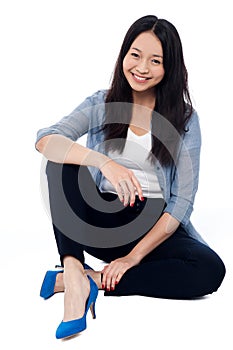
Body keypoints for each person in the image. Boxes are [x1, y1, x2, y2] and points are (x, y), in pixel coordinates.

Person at [35, 15, 226, 339]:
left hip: (152, 230)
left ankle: (85, 280)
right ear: (124, 54)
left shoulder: (186, 120)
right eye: (135, 55)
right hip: (103, 220)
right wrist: (104, 163)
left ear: (170, 68)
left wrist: (132, 258)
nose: (142, 67)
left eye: (156, 60)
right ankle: (72, 269)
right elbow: (46, 139)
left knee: (209, 269)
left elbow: (182, 202)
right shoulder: (102, 102)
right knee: (61, 162)